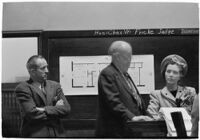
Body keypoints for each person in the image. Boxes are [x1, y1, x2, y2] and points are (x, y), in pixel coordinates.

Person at [96, 41, 152, 138]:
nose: (130, 60)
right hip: (115, 132)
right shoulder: (108, 74)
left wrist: (150, 117)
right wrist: (132, 117)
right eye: (128, 57)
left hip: (131, 130)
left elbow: (135, 100)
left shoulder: (124, 74)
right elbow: (113, 102)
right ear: (117, 57)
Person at [15, 55, 71, 137]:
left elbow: (66, 109)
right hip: (36, 134)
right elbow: (32, 114)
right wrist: (56, 109)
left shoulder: (55, 85)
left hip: (58, 134)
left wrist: (43, 109)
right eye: (43, 68)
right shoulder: (23, 88)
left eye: (47, 67)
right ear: (32, 71)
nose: (47, 70)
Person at [147, 54, 196, 120]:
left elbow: (196, 114)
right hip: (165, 129)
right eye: (168, 71)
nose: (171, 75)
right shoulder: (156, 95)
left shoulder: (190, 91)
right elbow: (151, 115)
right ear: (164, 73)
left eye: (175, 72)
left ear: (180, 75)